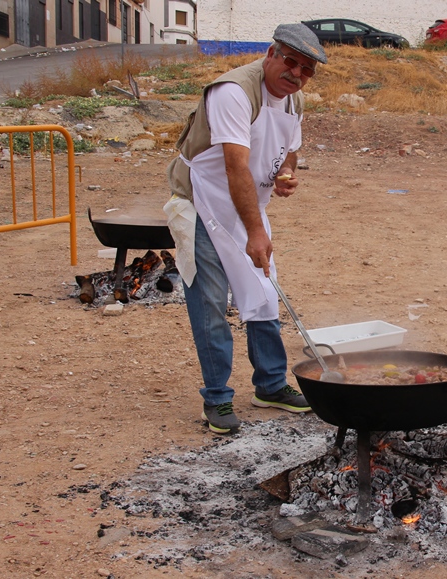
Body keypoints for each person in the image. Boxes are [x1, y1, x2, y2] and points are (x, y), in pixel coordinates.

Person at [164, 23, 327, 434]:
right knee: (211, 300)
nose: (297, 74)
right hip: (202, 203)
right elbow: (235, 166)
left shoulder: (294, 100)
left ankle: (270, 386)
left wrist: (287, 172)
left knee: (263, 293)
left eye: (307, 69)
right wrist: (256, 232)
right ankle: (217, 399)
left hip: (246, 204)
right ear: (272, 54)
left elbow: (290, 149)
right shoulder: (234, 92)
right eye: (291, 62)